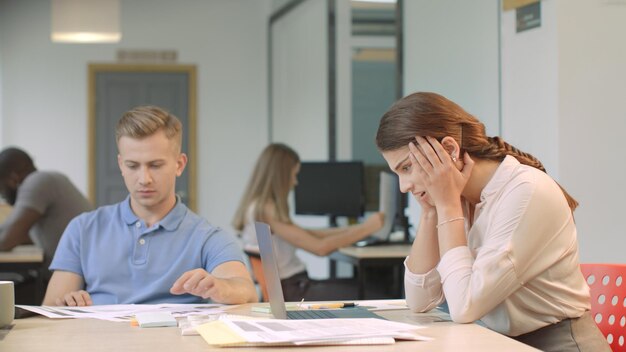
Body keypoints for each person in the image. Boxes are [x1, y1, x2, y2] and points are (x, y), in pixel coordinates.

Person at [375, 92, 609, 351]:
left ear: (450, 150)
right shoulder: (458, 197)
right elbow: (419, 301)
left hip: (556, 345)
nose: (404, 187)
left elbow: (464, 307)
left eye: (407, 168)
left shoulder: (525, 191)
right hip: (498, 342)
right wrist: (431, 212)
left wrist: (447, 205)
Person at [43, 106, 257, 306]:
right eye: (133, 166)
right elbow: (52, 309)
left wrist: (221, 287)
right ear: (121, 165)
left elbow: (246, 292)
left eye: (155, 165)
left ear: (179, 165)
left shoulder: (207, 238)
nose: (144, 179)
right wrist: (68, 304)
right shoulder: (82, 229)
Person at [232, 143, 384, 301]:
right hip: (294, 292)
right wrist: (368, 228)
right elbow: (320, 248)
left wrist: (359, 228)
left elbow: (309, 234)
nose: (295, 182)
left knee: (366, 288)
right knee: (377, 293)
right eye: (293, 175)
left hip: (293, 288)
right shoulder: (265, 209)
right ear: (281, 176)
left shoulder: (258, 207)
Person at [0, 147, 93, 280]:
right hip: (77, 274)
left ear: (13, 179)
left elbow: (6, 240)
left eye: (0, 188)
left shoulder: (37, 182)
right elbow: (11, 232)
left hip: (77, 280)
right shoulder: (49, 179)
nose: (2, 195)